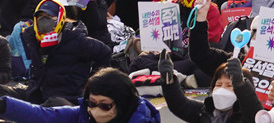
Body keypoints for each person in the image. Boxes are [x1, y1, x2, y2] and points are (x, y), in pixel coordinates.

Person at [0, 68, 162, 122]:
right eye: (91, 103)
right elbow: (42, 115)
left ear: (123, 103)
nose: (95, 110)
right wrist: (3, 106)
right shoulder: (82, 114)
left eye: (104, 105)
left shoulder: (141, 120)